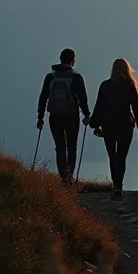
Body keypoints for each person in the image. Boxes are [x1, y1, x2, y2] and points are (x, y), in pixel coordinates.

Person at [91, 57, 138, 200]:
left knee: (112, 156)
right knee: (122, 157)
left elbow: (99, 106)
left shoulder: (105, 85)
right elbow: (136, 108)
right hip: (125, 125)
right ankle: (119, 188)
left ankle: (116, 186)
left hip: (108, 125)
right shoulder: (129, 86)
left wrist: (94, 124)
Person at [36, 48, 91, 183]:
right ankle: (69, 175)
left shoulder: (50, 77)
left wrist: (40, 116)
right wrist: (87, 114)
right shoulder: (76, 77)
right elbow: (82, 98)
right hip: (71, 116)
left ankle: (63, 177)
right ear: (73, 60)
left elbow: (43, 97)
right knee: (72, 146)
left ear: (60, 59)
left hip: (54, 116)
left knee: (60, 146)